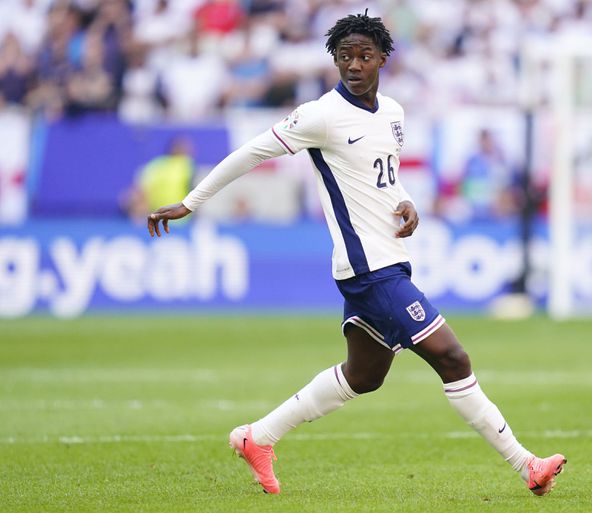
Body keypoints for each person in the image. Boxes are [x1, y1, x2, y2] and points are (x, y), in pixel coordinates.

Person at [146, 11, 565, 497]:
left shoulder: (393, 113)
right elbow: (251, 152)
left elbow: (383, 176)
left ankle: (257, 437)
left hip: (388, 260)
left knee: (364, 375)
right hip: (370, 271)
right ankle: (527, 465)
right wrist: (190, 202)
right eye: (345, 56)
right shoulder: (320, 115)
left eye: (365, 55)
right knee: (453, 358)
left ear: (383, 58)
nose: (354, 65)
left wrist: (405, 201)